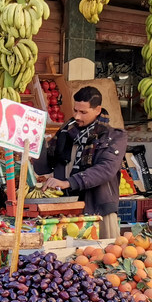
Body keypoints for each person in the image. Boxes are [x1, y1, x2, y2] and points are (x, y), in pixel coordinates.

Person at [39, 86, 127, 239]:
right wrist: (34, 146)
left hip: (98, 212)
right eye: (75, 110)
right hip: (66, 212)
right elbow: (44, 166)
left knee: (100, 258)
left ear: (97, 110)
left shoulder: (114, 137)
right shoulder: (65, 133)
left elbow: (105, 169)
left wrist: (69, 182)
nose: (77, 116)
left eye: (83, 112)